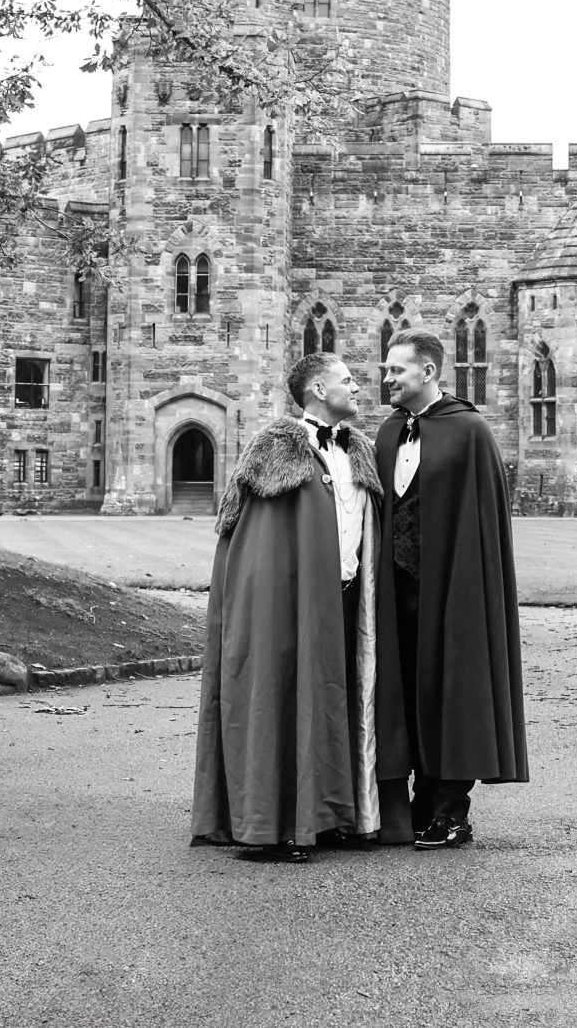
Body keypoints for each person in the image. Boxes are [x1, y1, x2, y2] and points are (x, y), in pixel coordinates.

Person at [191, 351, 408, 861]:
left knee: (334, 702)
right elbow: (255, 547)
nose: (358, 388)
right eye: (347, 381)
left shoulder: (357, 449)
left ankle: (330, 815)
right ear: (316, 389)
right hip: (284, 601)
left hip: (347, 600)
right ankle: (272, 823)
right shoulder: (276, 449)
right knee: (279, 695)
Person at [376, 332, 528, 849]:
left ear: (429, 372)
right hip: (396, 594)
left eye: (397, 370)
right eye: (385, 370)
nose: (387, 379)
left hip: (452, 589)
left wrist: (465, 589)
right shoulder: (388, 431)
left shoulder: (469, 430)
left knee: (452, 691)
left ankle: (451, 811)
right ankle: (417, 805)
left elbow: (483, 524)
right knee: (407, 693)